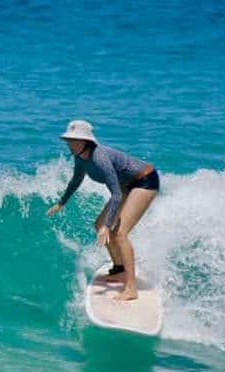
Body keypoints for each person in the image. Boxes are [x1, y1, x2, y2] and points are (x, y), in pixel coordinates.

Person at [47, 120, 159, 301]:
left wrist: (108, 225)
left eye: (76, 140)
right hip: (125, 185)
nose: (71, 143)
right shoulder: (80, 158)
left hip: (145, 181)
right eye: (69, 139)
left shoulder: (99, 157)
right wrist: (62, 202)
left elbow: (116, 195)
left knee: (119, 234)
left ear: (86, 141)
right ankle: (119, 268)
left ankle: (131, 289)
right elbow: (76, 181)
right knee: (98, 224)